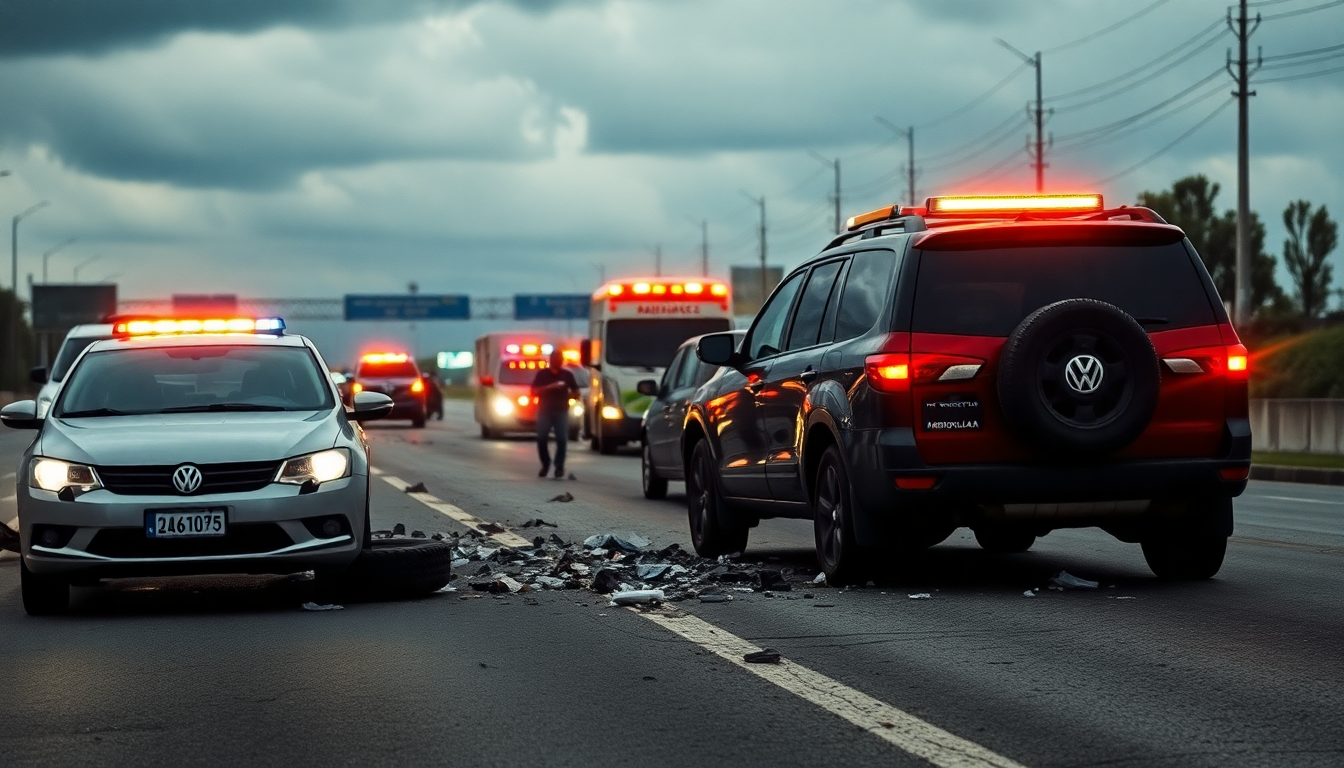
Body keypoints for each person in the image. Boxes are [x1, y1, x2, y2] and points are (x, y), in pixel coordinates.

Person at [530, 349, 579, 479]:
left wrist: (569, 394)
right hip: (544, 410)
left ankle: (559, 467)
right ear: (550, 360)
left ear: (562, 361)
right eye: (555, 359)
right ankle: (546, 464)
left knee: (562, 439)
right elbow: (534, 391)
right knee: (541, 438)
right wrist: (550, 387)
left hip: (561, 410)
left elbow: (576, 393)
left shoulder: (567, 375)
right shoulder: (542, 374)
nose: (557, 362)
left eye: (560, 359)